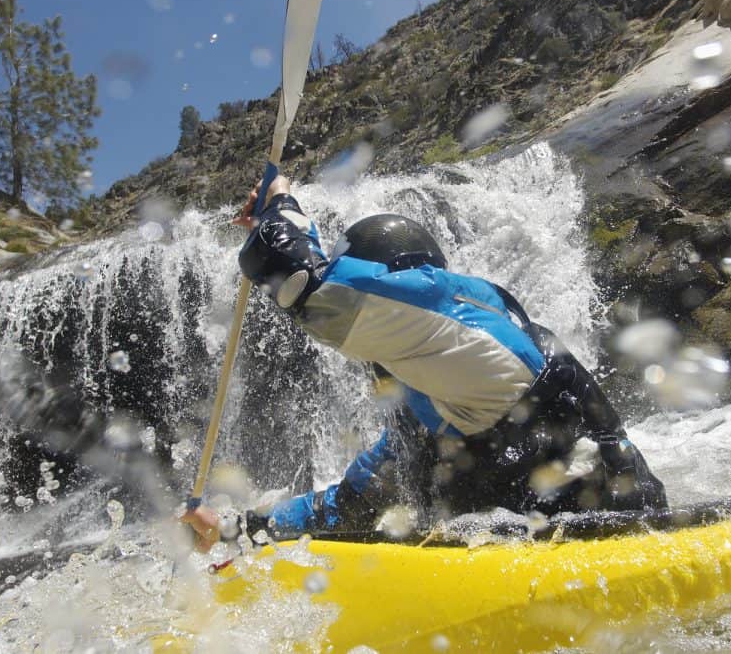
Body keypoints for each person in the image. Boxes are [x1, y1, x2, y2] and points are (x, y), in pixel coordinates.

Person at [180, 175, 665, 551]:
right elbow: (351, 502)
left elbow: (304, 282)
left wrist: (278, 203)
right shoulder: (432, 403)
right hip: (536, 553)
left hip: (618, 535)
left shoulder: (461, 317)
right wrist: (235, 529)